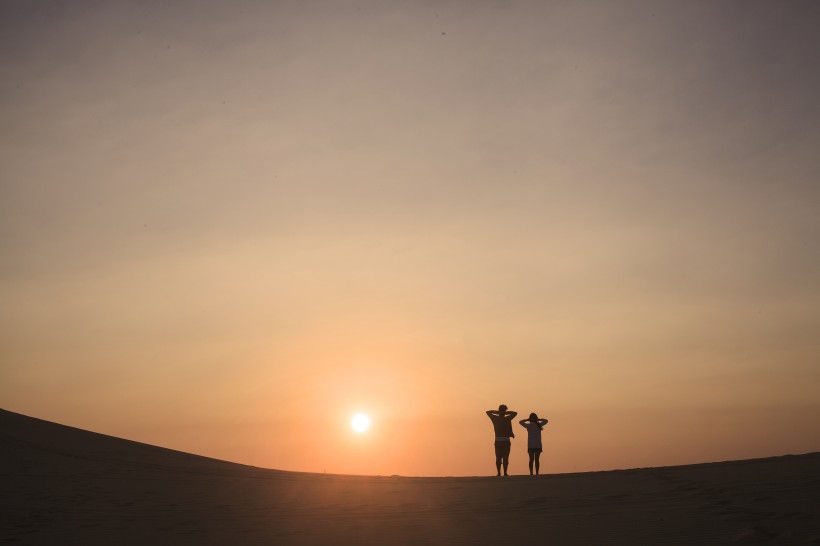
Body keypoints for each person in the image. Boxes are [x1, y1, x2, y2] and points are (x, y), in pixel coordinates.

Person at [486, 404, 517, 476]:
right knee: (499, 458)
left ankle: (504, 472)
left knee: (504, 457)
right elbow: (487, 412)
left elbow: (515, 413)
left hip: (504, 440)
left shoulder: (505, 418)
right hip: (500, 441)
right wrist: (499, 412)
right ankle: (499, 472)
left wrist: (503, 413)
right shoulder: (496, 418)